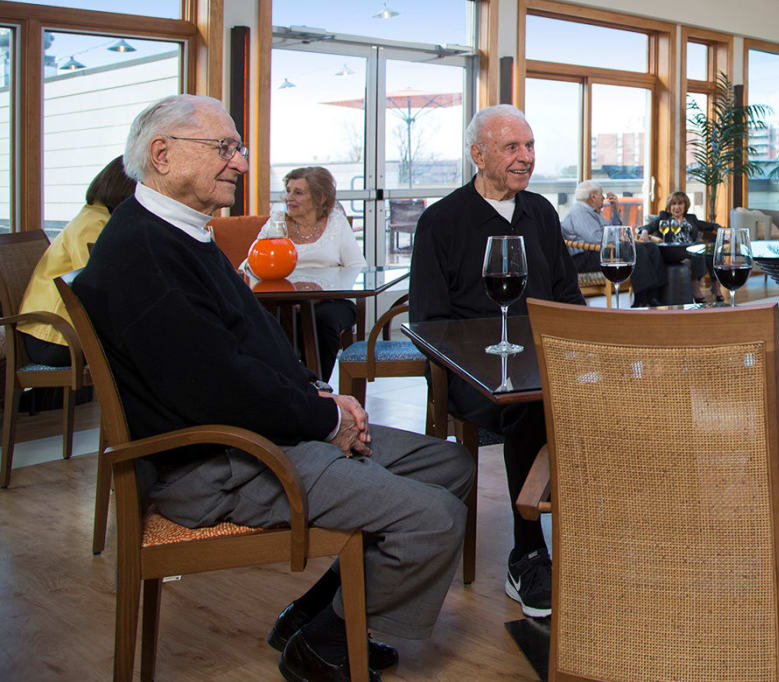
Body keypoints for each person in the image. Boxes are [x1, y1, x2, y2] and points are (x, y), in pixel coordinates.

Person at [73, 95, 473, 682]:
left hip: (256, 435)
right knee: (434, 517)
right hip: (216, 462)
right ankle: (325, 644)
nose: (239, 162)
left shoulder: (186, 235)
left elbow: (250, 350)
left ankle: (311, 616)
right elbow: (216, 389)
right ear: (162, 154)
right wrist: (325, 421)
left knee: (450, 465)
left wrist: (321, 397)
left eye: (237, 148)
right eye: (224, 148)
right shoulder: (144, 253)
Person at [409, 104, 583, 620]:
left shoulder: (542, 213)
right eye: (512, 148)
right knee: (530, 407)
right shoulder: (441, 221)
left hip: (541, 363)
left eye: (529, 146)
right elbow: (429, 324)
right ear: (477, 155)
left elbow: (568, 299)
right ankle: (527, 553)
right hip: (469, 377)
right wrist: (485, 358)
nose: (525, 158)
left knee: (609, 395)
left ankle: (603, 536)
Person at [17, 156, 135, 368]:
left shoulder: (98, 217)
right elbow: (99, 289)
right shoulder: (93, 225)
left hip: (61, 332)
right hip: (55, 338)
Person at [251, 166, 366, 377]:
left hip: (331, 300)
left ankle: (317, 386)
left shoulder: (336, 222)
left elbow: (356, 268)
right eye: (288, 190)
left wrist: (319, 293)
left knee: (322, 321)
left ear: (321, 197)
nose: (288, 198)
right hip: (282, 302)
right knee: (267, 318)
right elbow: (250, 265)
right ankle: (283, 385)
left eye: (298, 192)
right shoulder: (276, 222)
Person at [561, 179, 666, 306]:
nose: (604, 197)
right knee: (637, 250)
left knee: (651, 247)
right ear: (593, 196)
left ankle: (655, 296)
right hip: (584, 257)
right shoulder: (579, 212)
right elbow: (597, 238)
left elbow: (614, 231)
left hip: (599, 252)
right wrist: (619, 240)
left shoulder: (593, 212)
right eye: (601, 194)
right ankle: (641, 299)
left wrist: (615, 210)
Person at [641, 190, 722, 303]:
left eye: (680, 204)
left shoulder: (691, 218)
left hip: (691, 249)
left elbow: (710, 225)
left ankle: (715, 285)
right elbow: (647, 227)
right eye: (673, 204)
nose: (676, 207)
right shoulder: (663, 217)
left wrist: (720, 229)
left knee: (709, 248)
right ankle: (695, 287)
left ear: (685, 205)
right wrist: (644, 232)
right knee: (698, 247)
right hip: (673, 251)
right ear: (670, 206)